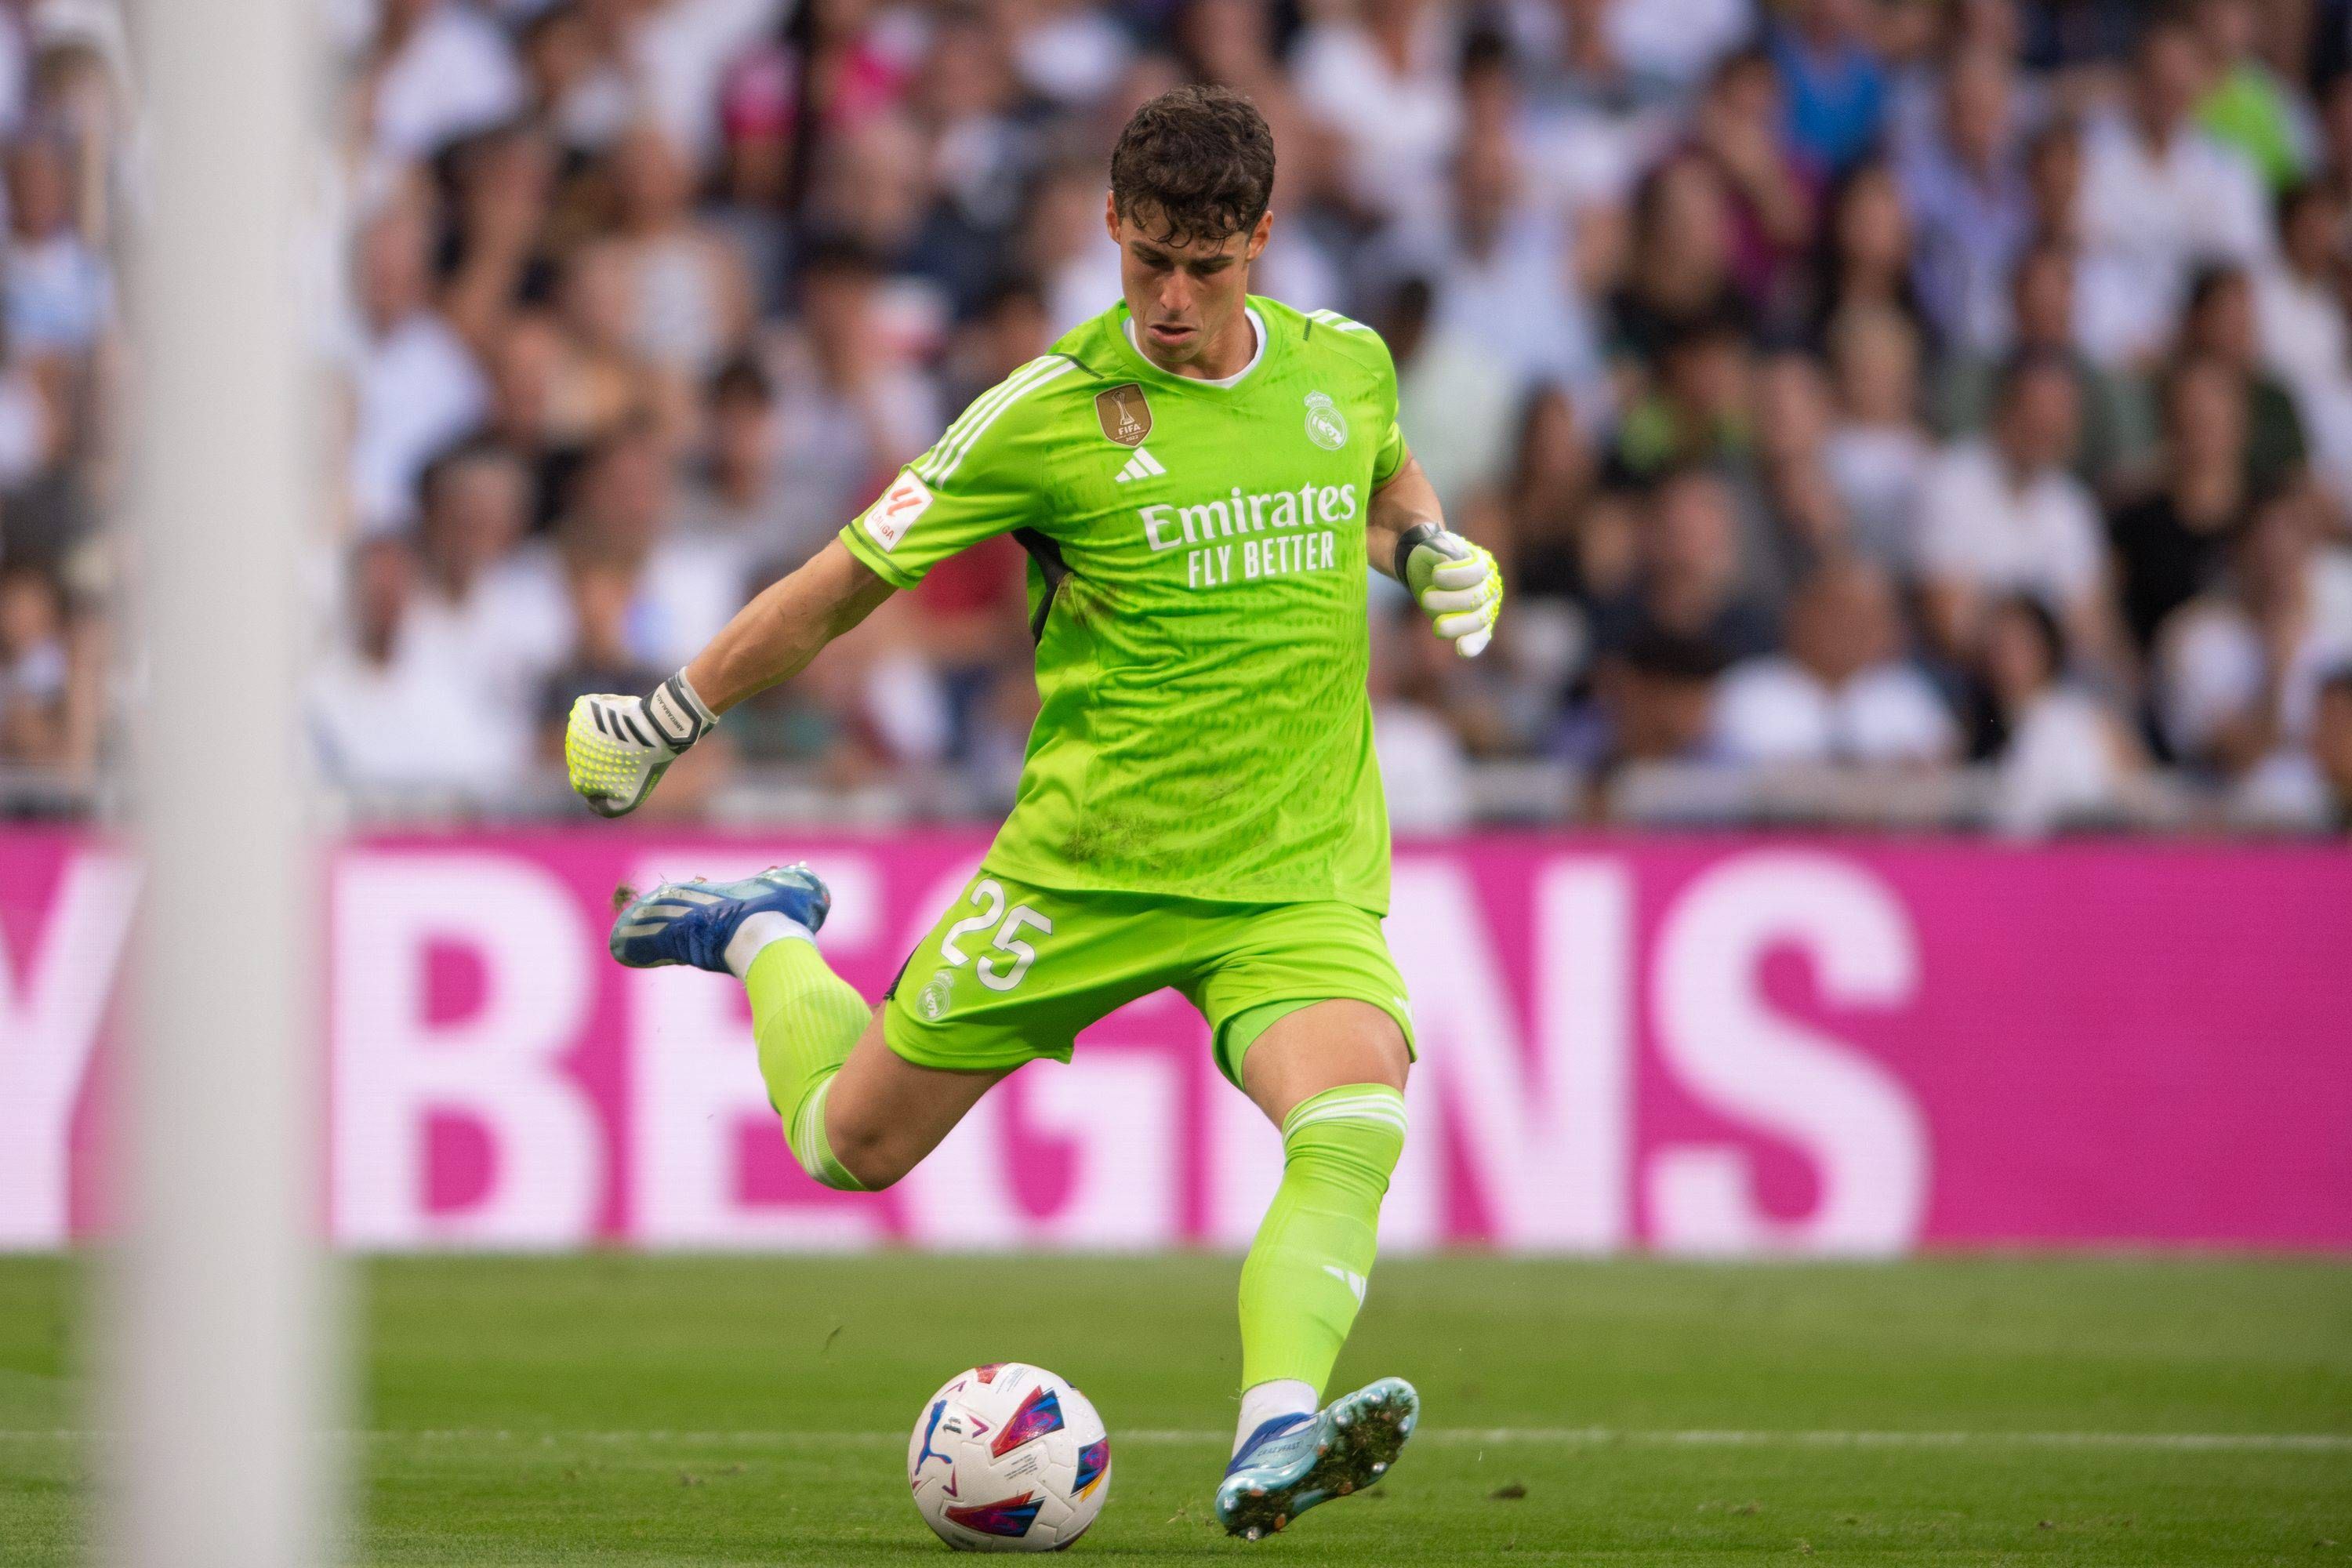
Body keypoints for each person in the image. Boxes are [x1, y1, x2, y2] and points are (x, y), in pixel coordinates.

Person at [557, 87, 1504, 1541]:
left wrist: (1433, 548)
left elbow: (1367, 487)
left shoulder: (1347, 369)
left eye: (1210, 267)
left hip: (1290, 874)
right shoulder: (1048, 415)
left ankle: (1275, 1432)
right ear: (1111, 229)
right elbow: (843, 581)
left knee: (1356, 1117)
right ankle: (759, 937)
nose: (1176, 303)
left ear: (1261, 238)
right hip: (1082, 873)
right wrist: (669, 715)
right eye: (1148, 267)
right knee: (849, 1147)